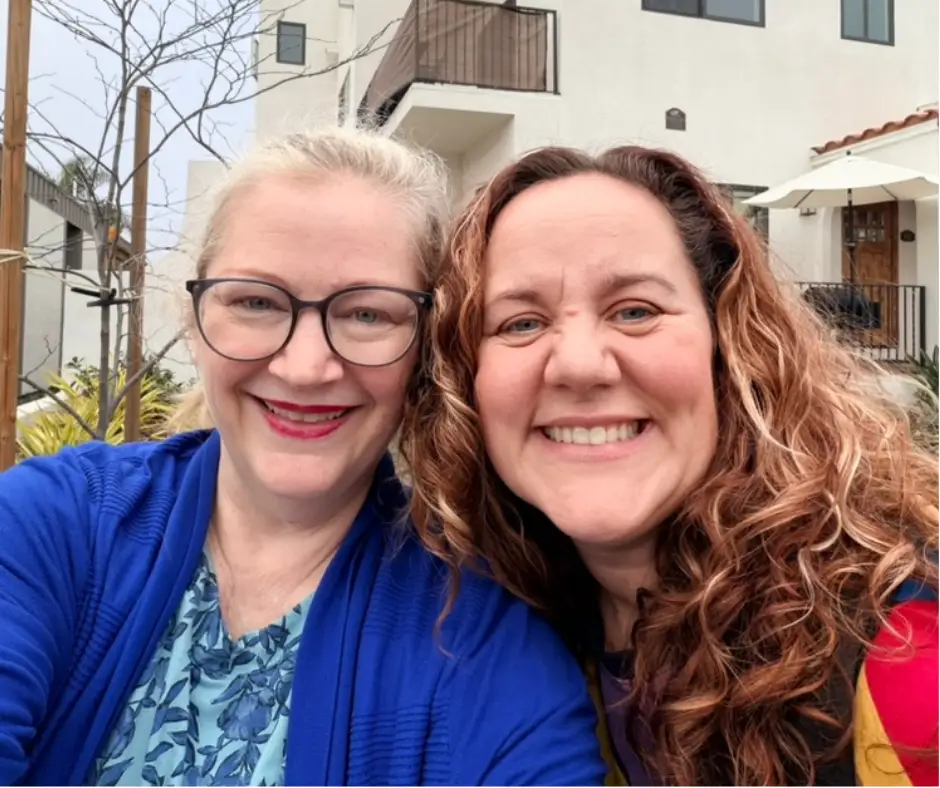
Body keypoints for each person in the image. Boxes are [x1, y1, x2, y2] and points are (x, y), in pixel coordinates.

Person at [0, 128, 606, 786]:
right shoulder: (53, 525)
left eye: (367, 314)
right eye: (256, 302)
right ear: (196, 317)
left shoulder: (486, 643)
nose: (306, 366)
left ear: (426, 350)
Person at [401, 144, 939, 786]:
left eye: (635, 311)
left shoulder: (905, 646)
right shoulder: (507, 636)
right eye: (520, 323)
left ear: (730, 348)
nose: (577, 363)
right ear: (468, 382)